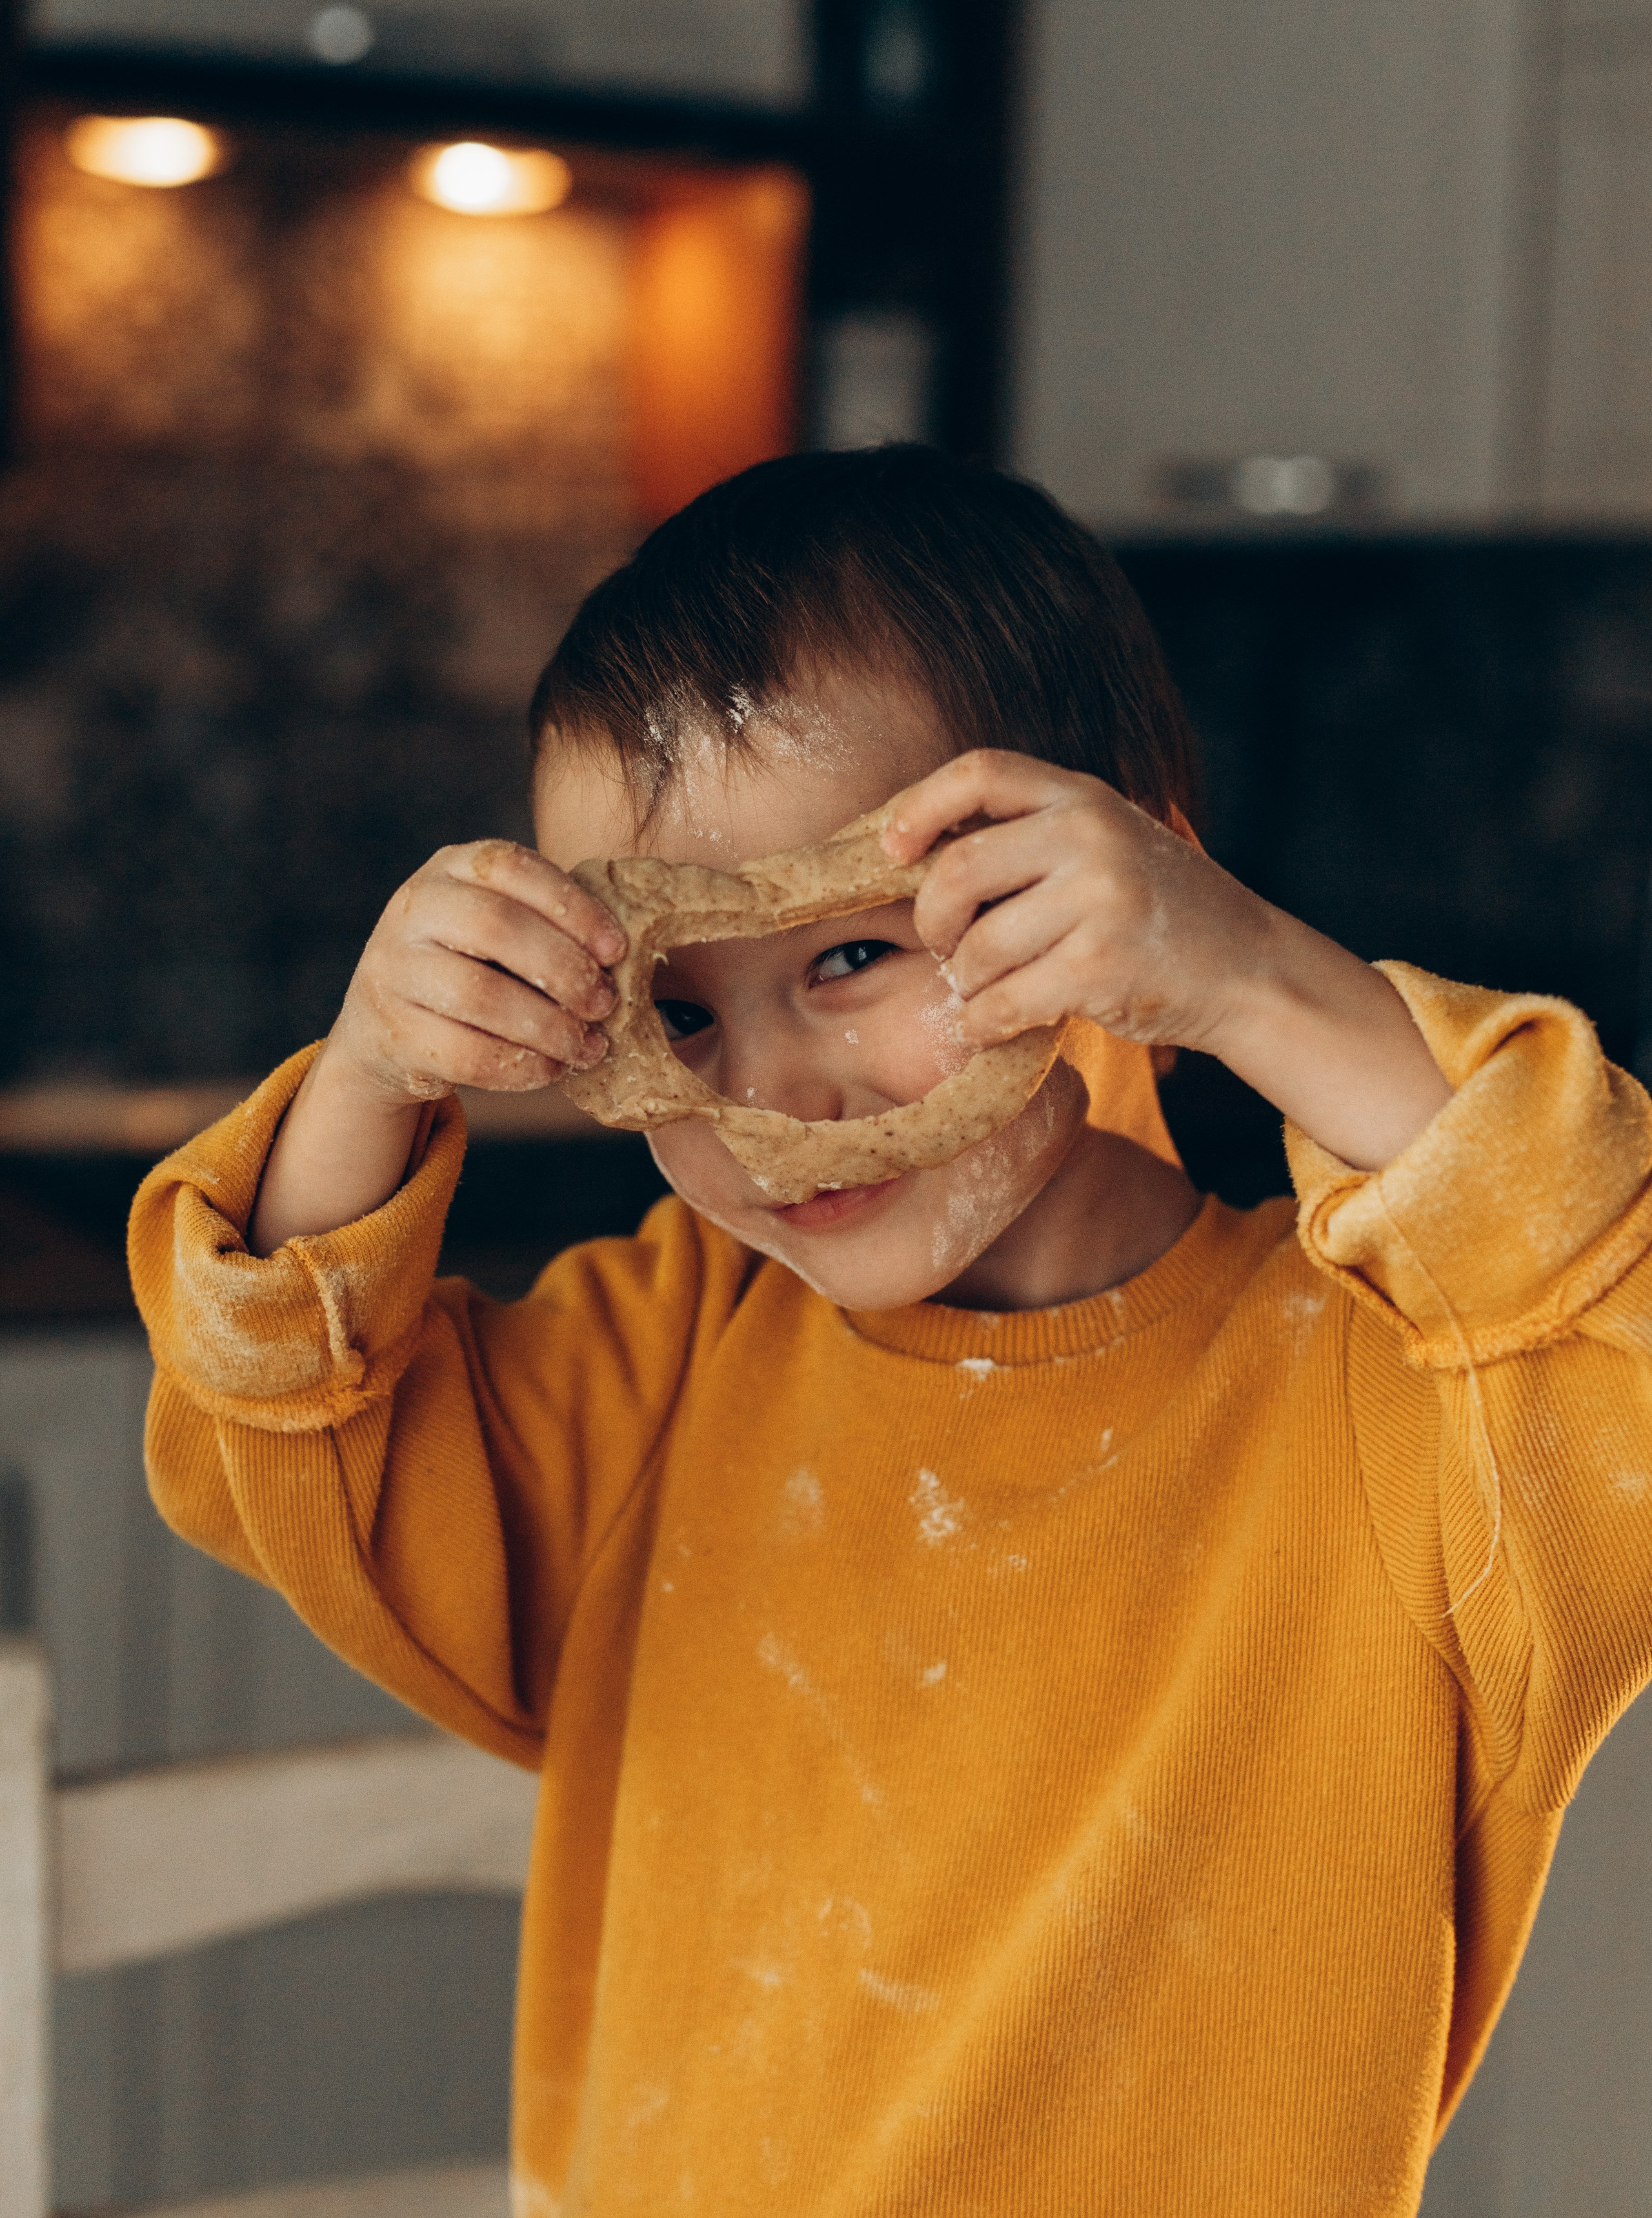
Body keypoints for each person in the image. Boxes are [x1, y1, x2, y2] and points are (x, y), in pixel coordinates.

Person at [130, 446, 1652, 2217]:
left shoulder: (1393, 1417)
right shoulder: (669, 1368)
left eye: (854, 958)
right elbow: (277, 1428)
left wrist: (1249, 975)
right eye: (675, 1013)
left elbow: (1603, 1300)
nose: (767, 1086)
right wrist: (373, 1069)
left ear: (1122, 887)